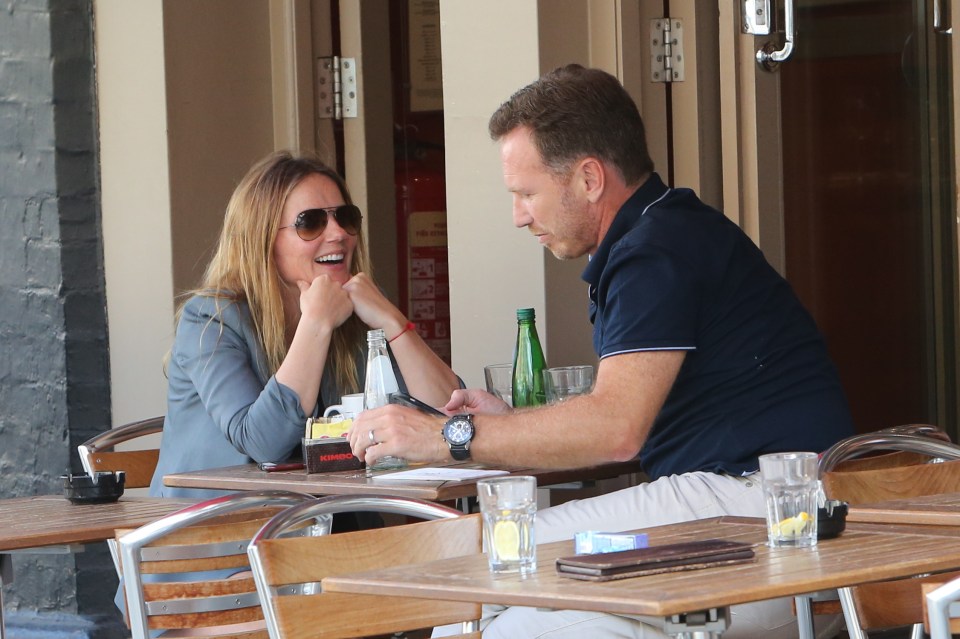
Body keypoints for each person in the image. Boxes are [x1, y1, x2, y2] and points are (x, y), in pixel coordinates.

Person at [349, 65, 854, 638]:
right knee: (501, 616)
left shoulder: (653, 252)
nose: (518, 215)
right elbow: (619, 419)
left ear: (589, 178)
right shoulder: (670, 230)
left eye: (526, 193)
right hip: (774, 523)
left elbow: (616, 428)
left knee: (479, 562)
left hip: (759, 515)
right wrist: (512, 425)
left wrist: (442, 437)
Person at [149, 151, 460, 501]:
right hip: (218, 536)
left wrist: (392, 320)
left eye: (345, 218)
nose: (338, 233)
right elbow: (263, 442)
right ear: (263, 238)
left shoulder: (358, 310)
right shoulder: (210, 318)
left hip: (323, 522)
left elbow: (451, 415)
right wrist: (316, 323)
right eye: (311, 222)